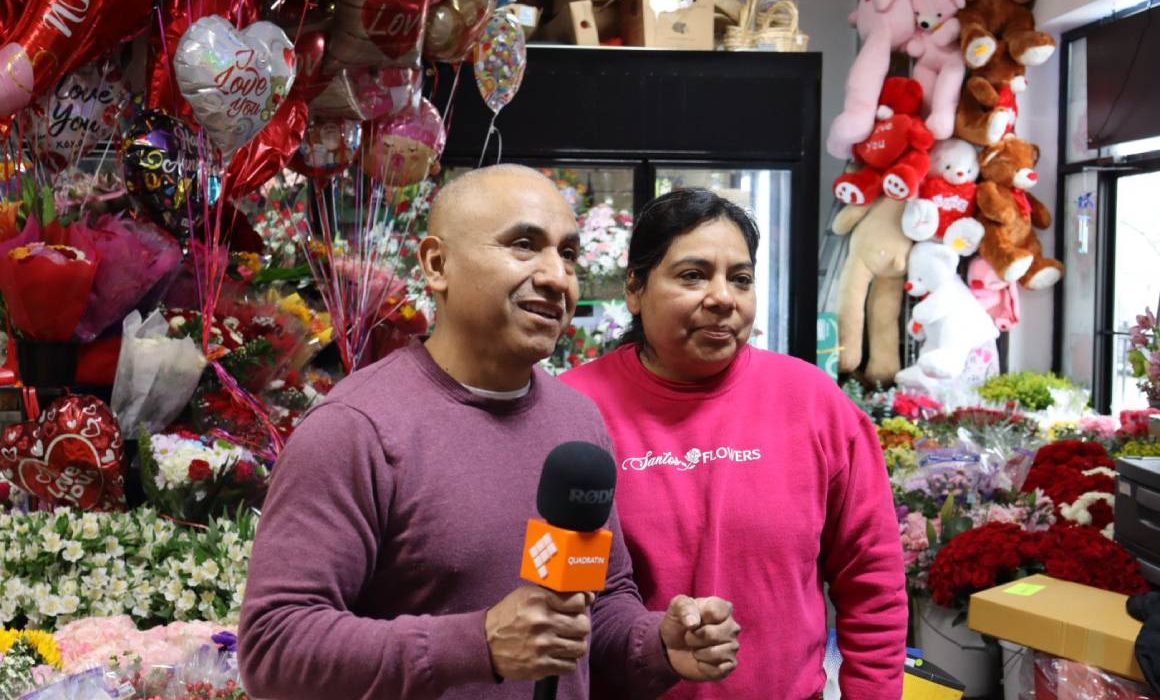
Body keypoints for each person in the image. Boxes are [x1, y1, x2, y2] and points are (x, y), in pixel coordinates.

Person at [238, 166, 742, 700]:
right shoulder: (356, 429)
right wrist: (478, 644)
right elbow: (274, 648)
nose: (557, 277)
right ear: (437, 265)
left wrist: (658, 642)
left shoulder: (576, 422)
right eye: (524, 245)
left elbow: (597, 602)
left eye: (569, 254)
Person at [560, 188, 907, 699]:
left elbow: (873, 583)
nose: (723, 297)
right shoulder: (573, 411)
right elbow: (561, 600)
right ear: (635, 288)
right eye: (693, 275)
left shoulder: (814, 402)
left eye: (741, 279)